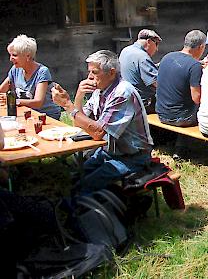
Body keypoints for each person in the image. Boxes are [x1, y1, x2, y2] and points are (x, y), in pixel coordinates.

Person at [51, 50, 153, 194]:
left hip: (133, 157)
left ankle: (86, 211)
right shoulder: (100, 90)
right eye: (89, 72)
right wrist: (79, 95)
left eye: (95, 72)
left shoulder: (122, 93)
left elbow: (98, 132)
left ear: (111, 73)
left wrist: (68, 105)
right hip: (110, 152)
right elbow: (78, 122)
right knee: (74, 177)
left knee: (85, 186)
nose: (90, 77)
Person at [0, 35, 61, 119]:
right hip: (27, 114)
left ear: (28, 56)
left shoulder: (42, 72)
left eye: (14, 55)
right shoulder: (15, 70)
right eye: (10, 55)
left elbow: (38, 102)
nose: (11, 59)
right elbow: (1, 91)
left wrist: (13, 101)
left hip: (46, 116)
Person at [119, 29, 162, 113]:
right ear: (149, 41)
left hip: (127, 99)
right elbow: (158, 83)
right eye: (156, 44)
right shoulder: (142, 57)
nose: (157, 49)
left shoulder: (126, 50)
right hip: (143, 103)